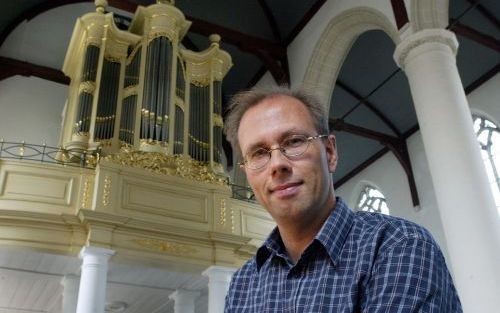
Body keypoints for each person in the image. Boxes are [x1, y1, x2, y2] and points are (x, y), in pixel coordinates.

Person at [223, 86, 462, 312]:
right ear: (247, 174)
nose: (277, 165)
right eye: (259, 153)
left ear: (330, 153)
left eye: (294, 141)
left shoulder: (399, 246)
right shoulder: (242, 284)